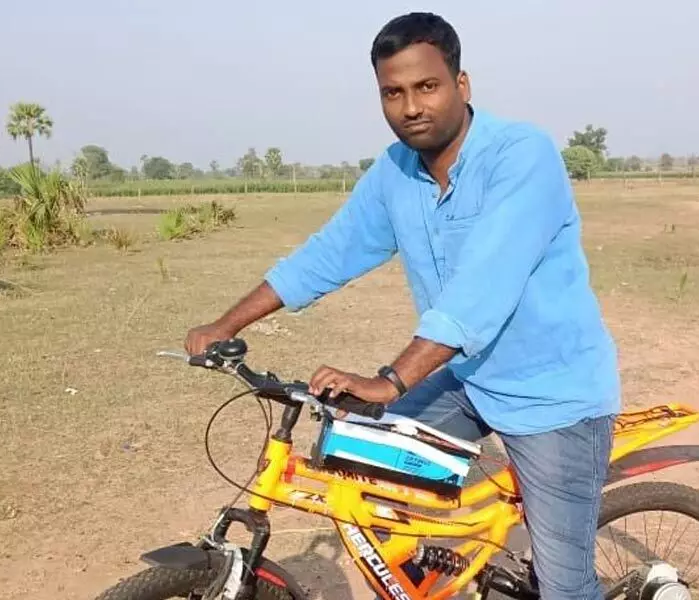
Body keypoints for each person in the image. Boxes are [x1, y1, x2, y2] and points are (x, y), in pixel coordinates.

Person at [185, 11, 620, 600]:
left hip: (553, 397)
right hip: (467, 376)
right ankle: (436, 575)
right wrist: (225, 324)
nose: (411, 107)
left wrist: (392, 379)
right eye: (394, 93)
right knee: (357, 459)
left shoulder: (521, 156)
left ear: (461, 86)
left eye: (427, 87)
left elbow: (481, 291)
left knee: (566, 587)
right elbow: (328, 254)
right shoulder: (395, 172)